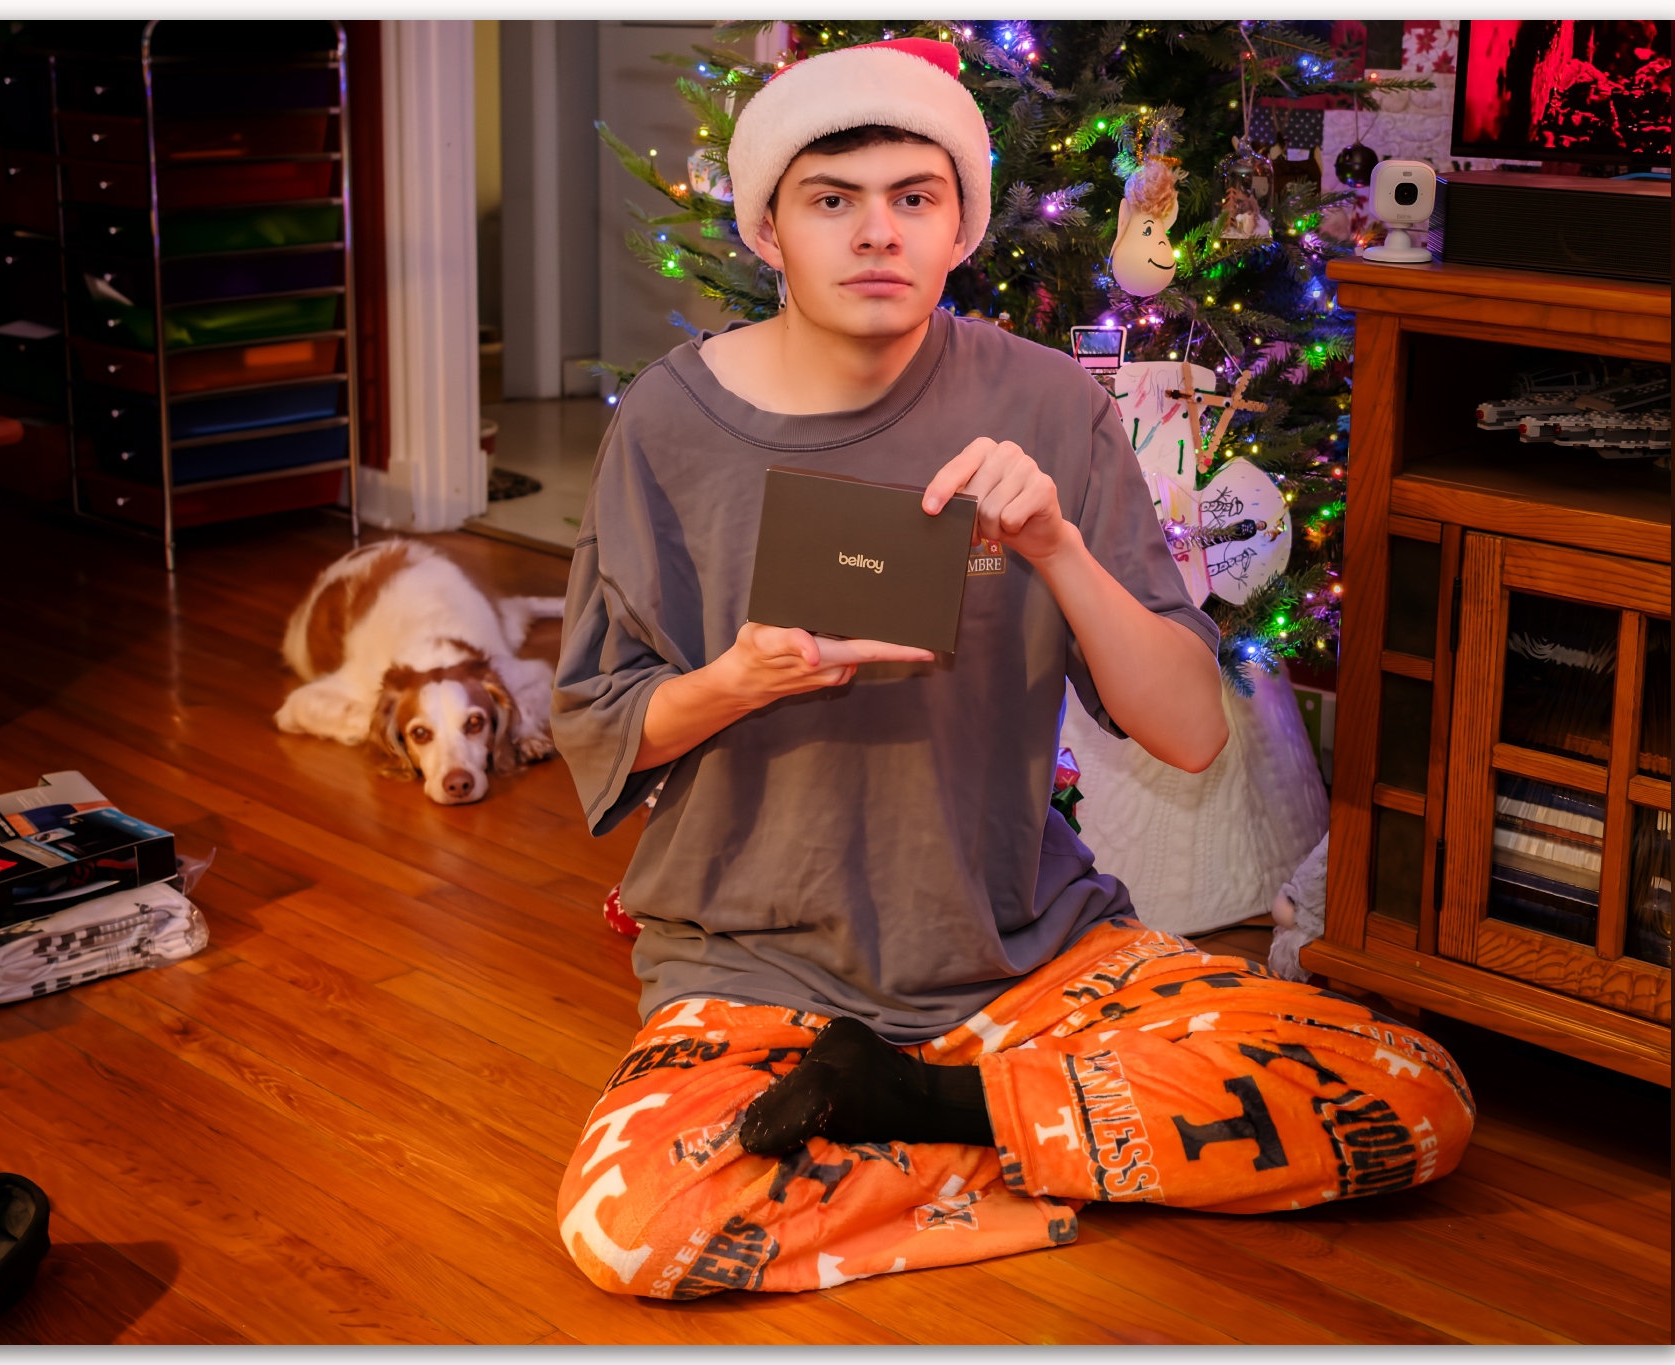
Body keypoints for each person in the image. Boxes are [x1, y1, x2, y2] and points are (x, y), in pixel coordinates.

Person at [550, 37, 1472, 1300]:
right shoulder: (669, 422)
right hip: (753, 969)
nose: (876, 233)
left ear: (961, 226)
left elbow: (1190, 732)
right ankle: (1047, 1133)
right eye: (831, 200)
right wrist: (737, 680)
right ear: (766, 231)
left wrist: (1056, 549)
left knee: (1407, 1094)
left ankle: (923, 1110)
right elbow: (600, 721)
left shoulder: (1048, 404)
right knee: (638, 1225)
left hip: (1033, 955)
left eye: (912, 198)